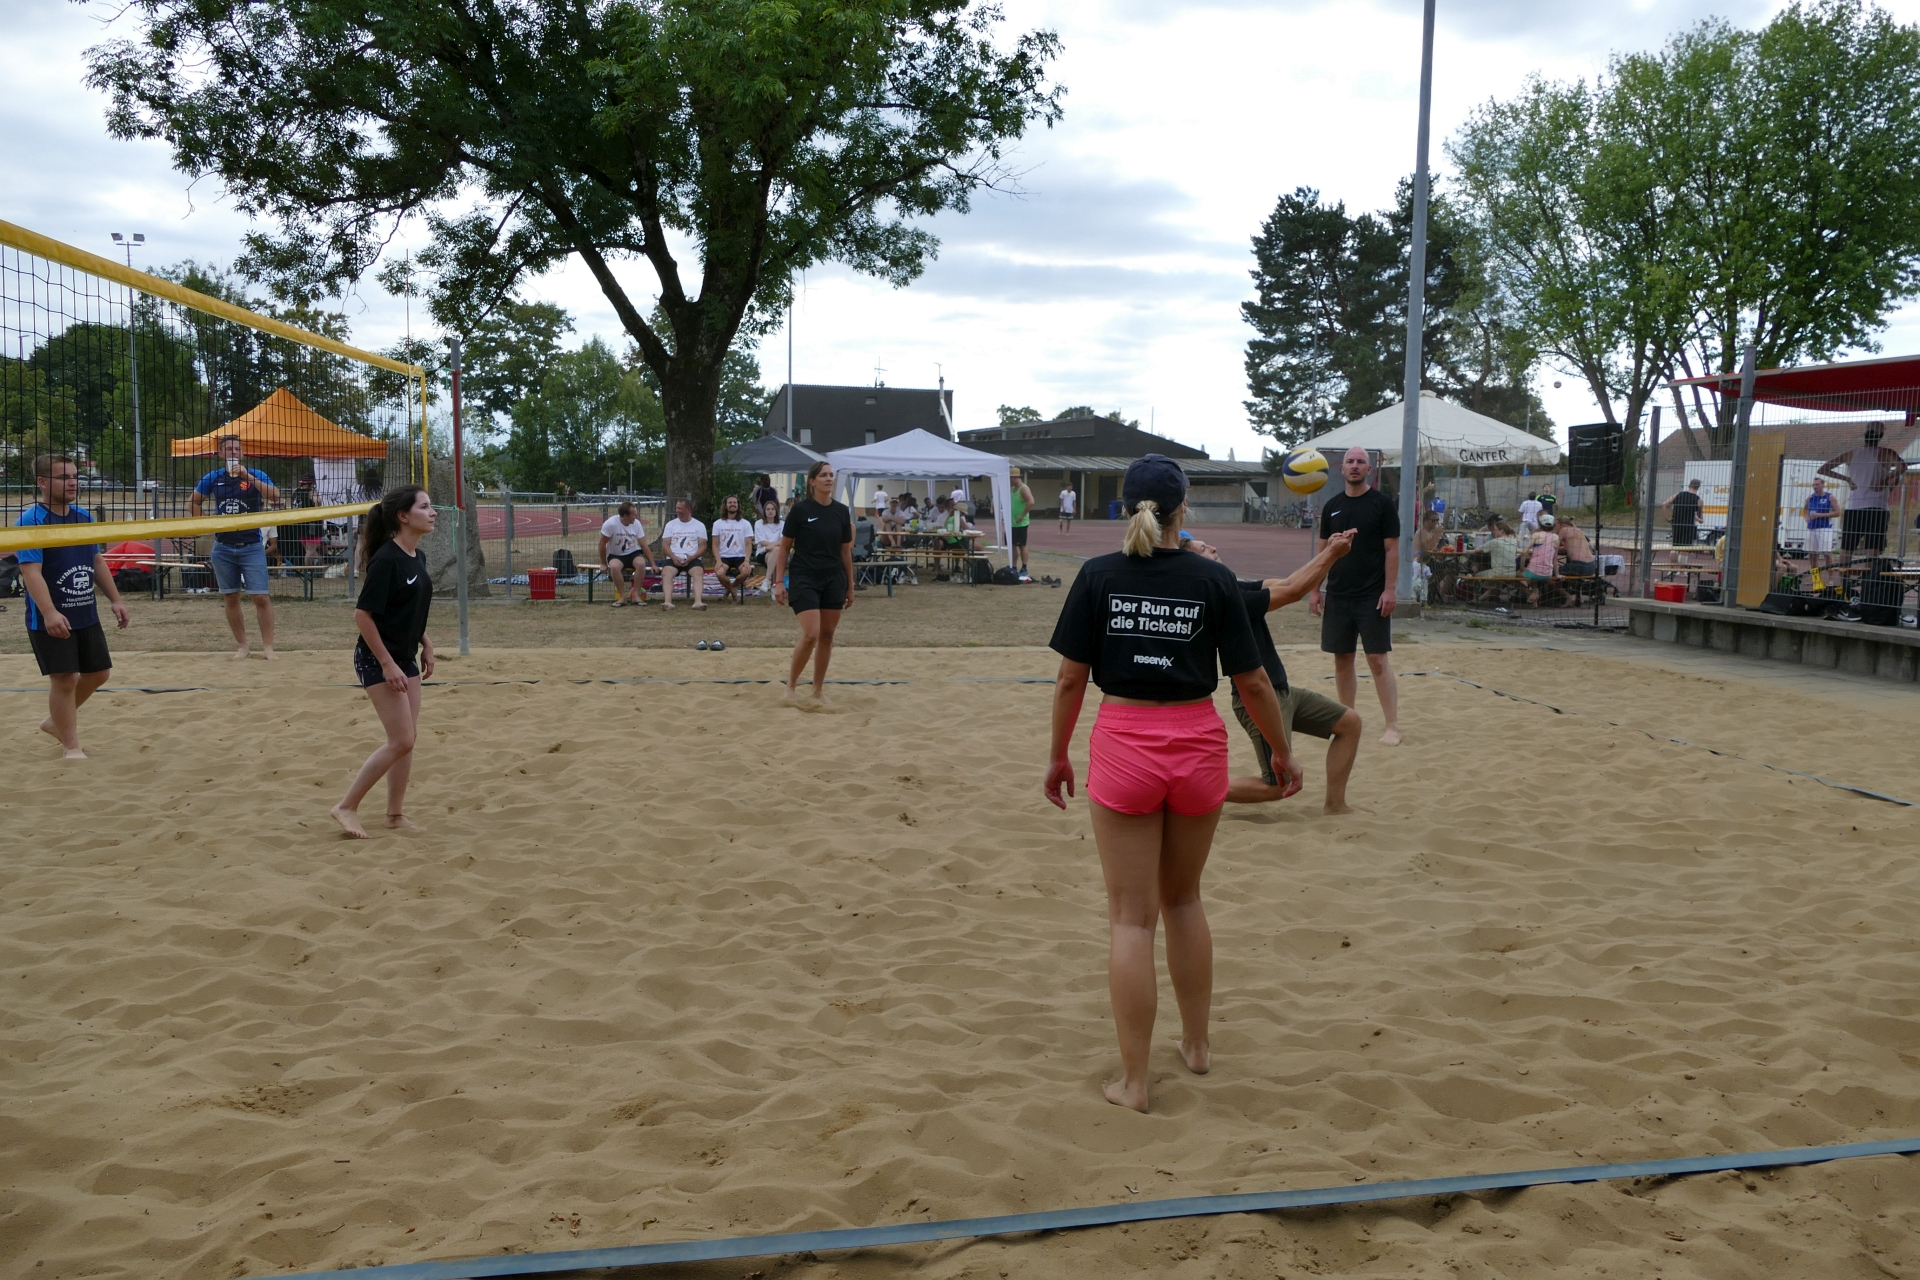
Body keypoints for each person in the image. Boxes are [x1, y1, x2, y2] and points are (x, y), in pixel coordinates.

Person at [1043, 455, 1299, 1114]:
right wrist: (1281, 752)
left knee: (1131, 920)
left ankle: (1134, 1083)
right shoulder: (1212, 578)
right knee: (1184, 902)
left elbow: (1070, 680)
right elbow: (1252, 682)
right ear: (1184, 509)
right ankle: (1197, 1045)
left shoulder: (1099, 574)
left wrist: (1058, 755)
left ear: (1125, 507)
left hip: (1126, 741)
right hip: (1196, 743)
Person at [1190, 533, 1362, 814]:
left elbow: (1289, 582)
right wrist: (1332, 554)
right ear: (1194, 562)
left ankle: (1335, 806)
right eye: (1203, 548)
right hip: (1259, 700)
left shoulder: (1232, 586)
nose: (1213, 547)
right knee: (1278, 785)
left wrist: (1329, 551)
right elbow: (1292, 593)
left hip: (1282, 691)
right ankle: (1192, 792)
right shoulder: (1226, 598)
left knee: (1350, 723)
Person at [330, 485, 436, 839]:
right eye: (425, 506)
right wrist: (388, 664)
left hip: (405, 655)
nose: (433, 512)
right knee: (401, 740)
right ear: (403, 516)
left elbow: (405, 609)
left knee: (408, 739)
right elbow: (363, 616)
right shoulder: (387, 560)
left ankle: (394, 815)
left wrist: (425, 642)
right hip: (378, 658)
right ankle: (346, 807)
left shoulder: (416, 556)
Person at [15, 454, 131, 760]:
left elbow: (96, 560)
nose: (72, 482)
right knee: (65, 679)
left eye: (74, 476)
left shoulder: (83, 517)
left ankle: (55, 721)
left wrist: (115, 600)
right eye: (64, 477)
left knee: (99, 673)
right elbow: (30, 572)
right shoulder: (31, 521)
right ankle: (71, 745)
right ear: (42, 482)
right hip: (50, 615)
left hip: (84, 610)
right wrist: (50, 612)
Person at [1309, 446, 1403, 746]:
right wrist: (1315, 588)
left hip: (1372, 594)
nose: (1354, 466)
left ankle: (1392, 727)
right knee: (1342, 659)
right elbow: (1322, 551)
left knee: (1377, 659)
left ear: (1369, 470)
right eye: (1350, 461)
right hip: (1338, 594)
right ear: (1342, 469)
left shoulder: (1382, 504)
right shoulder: (1332, 506)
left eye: (1361, 462)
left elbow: (1392, 548)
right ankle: (1348, 721)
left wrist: (1390, 589)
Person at [189, 433, 280, 659]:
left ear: (242, 452)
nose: (233, 452)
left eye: (237, 449)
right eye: (229, 449)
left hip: (251, 545)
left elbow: (275, 497)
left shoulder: (256, 474)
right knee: (231, 597)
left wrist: (247, 476)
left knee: (260, 597)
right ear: (220, 453)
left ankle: (268, 647)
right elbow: (193, 502)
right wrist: (205, 524)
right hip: (223, 547)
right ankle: (242, 646)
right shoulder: (213, 477)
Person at [773, 460, 854, 707]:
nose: (829, 479)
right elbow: (784, 548)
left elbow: (845, 552)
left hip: (833, 578)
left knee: (827, 635)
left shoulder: (841, 511)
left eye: (831, 475)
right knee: (811, 634)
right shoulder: (800, 511)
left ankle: (817, 690)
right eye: (823, 475)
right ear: (812, 481)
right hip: (804, 577)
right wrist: (778, 581)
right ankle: (791, 686)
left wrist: (850, 586)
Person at [1819, 422, 1909, 555]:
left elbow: (1823, 469)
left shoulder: (1851, 453)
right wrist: (1884, 479)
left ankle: (1844, 569)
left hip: (1854, 506)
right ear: (1881, 436)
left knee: (1847, 549)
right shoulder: (1886, 453)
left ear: (1865, 434)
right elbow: (1902, 467)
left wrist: (1847, 479)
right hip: (1876, 506)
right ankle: (1870, 568)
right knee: (1873, 549)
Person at [598, 501, 653, 608]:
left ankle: (636, 595)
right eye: (634, 515)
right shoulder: (610, 524)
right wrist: (603, 563)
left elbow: (643, 544)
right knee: (614, 567)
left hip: (633, 553)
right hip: (616, 554)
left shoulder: (636, 524)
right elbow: (602, 544)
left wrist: (653, 564)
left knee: (641, 563)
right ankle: (622, 597)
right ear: (625, 516)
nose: (636, 517)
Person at [660, 498, 709, 610]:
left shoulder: (699, 525)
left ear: (689, 510)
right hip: (673, 557)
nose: (677, 510)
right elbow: (665, 545)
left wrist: (693, 557)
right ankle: (667, 602)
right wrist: (673, 557)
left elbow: (703, 547)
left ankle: (698, 602)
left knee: (698, 573)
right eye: (676, 508)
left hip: (693, 558)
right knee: (666, 573)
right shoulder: (670, 525)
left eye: (680, 508)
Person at [711, 494, 755, 604]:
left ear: (738, 505)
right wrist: (718, 560)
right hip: (724, 557)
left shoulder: (745, 524)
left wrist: (747, 560)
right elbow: (714, 544)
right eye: (730, 502)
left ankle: (729, 590)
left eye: (735, 502)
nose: (732, 504)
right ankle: (733, 591)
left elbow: (748, 544)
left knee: (746, 572)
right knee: (720, 573)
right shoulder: (718, 523)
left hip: (740, 556)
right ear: (725, 505)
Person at [752, 499, 785, 602]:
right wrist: (771, 546)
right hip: (763, 552)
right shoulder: (758, 523)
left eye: (772, 509)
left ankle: (766, 580)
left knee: (776, 552)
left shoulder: (782, 524)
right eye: (768, 509)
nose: (770, 511)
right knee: (776, 553)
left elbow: (783, 540)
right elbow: (761, 541)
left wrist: (773, 546)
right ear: (764, 511)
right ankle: (773, 587)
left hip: (776, 552)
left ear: (776, 511)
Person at [1523, 513, 1559, 605]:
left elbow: (1524, 552)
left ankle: (1534, 591)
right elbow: (1555, 558)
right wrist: (1557, 574)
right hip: (1548, 574)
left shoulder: (1536, 535)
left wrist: (1521, 567)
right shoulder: (1556, 537)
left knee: (1519, 573)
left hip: (1533, 571)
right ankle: (1535, 600)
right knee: (1533, 575)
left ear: (1540, 524)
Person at [1803, 476, 1839, 569]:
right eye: (1814, 485)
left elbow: (1837, 512)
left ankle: (1831, 576)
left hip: (1825, 528)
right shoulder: (1811, 497)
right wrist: (1806, 517)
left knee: (1827, 553)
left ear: (1823, 485)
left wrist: (1821, 515)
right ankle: (1816, 576)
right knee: (1812, 554)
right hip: (1812, 528)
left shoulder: (1829, 497)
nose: (1815, 487)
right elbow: (1805, 508)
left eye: (1817, 485)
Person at [1008, 466, 1034, 581]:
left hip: (1021, 523)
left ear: (1015, 477)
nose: (1010, 480)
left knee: (1022, 545)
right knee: (1012, 545)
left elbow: (1031, 502)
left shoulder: (1024, 488)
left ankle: (1024, 567)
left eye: (1011, 478)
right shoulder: (1012, 489)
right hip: (1012, 522)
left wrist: (1022, 515)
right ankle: (1013, 566)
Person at [1663, 479, 1703, 548]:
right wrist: (1699, 519)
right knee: (1685, 548)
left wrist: (1667, 518)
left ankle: (1674, 555)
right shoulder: (1698, 500)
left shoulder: (1678, 495)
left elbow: (1664, 504)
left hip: (1676, 524)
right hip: (1688, 526)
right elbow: (1700, 517)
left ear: (1689, 486)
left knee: (1675, 547)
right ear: (1698, 487)